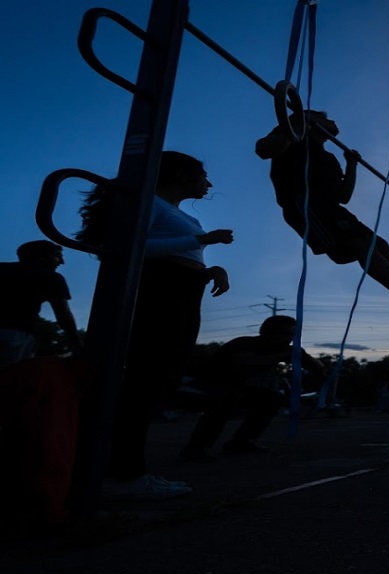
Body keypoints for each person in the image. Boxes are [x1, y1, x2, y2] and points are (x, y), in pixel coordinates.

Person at [78, 150, 235, 499]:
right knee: (143, 383)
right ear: (180, 174)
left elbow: (175, 252)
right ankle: (124, 475)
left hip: (183, 291)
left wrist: (208, 267)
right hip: (161, 292)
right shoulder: (151, 203)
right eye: (202, 175)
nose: (208, 183)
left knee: (157, 381)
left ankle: (127, 471)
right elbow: (132, 247)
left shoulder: (173, 211)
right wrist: (202, 240)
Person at [255, 110, 389, 323]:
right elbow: (263, 149)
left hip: (332, 208)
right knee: (359, 244)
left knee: (379, 244)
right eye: (324, 116)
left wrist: (351, 165)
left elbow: (344, 196)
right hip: (306, 207)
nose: (332, 119)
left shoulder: (328, 157)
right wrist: (299, 121)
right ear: (311, 120)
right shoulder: (293, 138)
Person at [179, 315, 323, 461]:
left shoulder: (282, 350)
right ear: (267, 332)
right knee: (228, 396)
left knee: (271, 399)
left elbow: (318, 367)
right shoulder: (245, 343)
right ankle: (195, 447)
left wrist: (304, 356)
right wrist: (281, 355)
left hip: (233, 388)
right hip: (198, 383)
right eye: (285, 334)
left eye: (292, 335)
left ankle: (241, 442)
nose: (289, 338)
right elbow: (245, 363)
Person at [0, 241, 83, 370]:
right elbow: (63, 315)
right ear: (41, 258)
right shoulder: (52, 278)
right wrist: (75, 340)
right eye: (57, 256)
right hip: (15, 337)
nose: (61, 262)